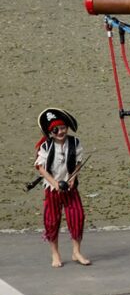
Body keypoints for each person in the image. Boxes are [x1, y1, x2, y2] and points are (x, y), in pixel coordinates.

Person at [34, 108, 90, 267]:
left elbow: (78, 163)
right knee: (52, 221)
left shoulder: (74, 143)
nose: (60, 132)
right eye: (56, 129)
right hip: (52, 189)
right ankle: (55, 254)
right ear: (50, 132)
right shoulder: (46, 146)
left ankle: (76, 251)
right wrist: (54, 183)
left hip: (70, 187)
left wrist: (73, 178)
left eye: (63, 128)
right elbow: (40, 167)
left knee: (78, 216)